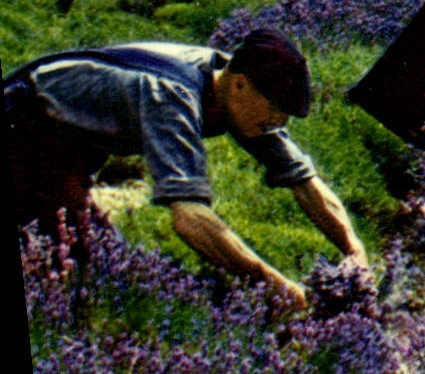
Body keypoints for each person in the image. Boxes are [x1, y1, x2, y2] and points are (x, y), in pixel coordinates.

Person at [5, 29, 366, 308]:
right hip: (26, 128)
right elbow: (190, 217)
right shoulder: (173, 96)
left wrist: (355, 251)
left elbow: (303, 180)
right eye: (272, 117)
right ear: (241, 85)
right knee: (83, 260)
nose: (274, 128)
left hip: (73, 140)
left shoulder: (233, 80)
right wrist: (277, 285)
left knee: (90, 257)